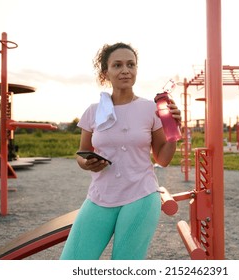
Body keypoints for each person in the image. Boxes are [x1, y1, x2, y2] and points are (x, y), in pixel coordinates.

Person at [60, 42, 181, 260]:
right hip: (99, 196)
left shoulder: (150, 109)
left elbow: (162, 159)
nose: (125, 70)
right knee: (72, 261)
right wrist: (87, 163)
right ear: (105, 72)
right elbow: (82, 153)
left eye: (130, 65)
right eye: (117, 65)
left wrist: (174, 131)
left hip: (141, 196)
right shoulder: (93, 111)